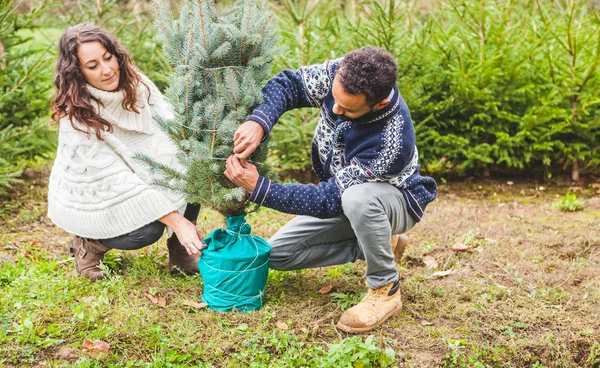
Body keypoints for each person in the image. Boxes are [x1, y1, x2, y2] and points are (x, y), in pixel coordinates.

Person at [224, 46, 437, 333]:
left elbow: (328, 199)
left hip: (396, 201)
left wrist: (259, 187)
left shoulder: (391, 142)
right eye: (334, 100)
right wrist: (258, 122)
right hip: (346, 198)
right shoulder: (342, 74)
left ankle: (385, 288)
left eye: (347, 109)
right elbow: (288, 84)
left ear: (379, 104)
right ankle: (381, 243)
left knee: (358, 199)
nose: (335, 110)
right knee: (276, 255)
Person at [48, 24, 205, 281]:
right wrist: (178, 221)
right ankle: (89, 244)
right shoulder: (76, 116)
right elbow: (115, 180)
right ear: (78, 72)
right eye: (93, 65)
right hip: (101, 193)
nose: (107, 70)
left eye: (108, 58)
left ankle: (181, 251)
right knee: (145, 231)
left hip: (142, 174)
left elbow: (174, 132)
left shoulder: (137, 83)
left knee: (192, 166)